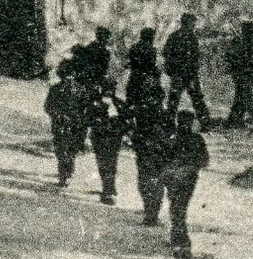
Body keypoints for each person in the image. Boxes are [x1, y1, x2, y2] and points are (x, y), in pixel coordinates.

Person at [162, 110, 209, 259]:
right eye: (183, 121)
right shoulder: (194, 139)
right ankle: (181, 243)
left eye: (186, 122)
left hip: (184, 178)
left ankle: (180, 242)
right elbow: (204, 160)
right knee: (178, 209)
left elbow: (204, 160)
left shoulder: (175, 137)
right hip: (180, 178)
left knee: (177, 209)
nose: (184, 125)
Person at [44, 59, 87, 188]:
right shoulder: (55, 89)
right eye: (66, 75)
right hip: (60, 123)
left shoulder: (80, 90)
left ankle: (69, 169)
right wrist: (57, 115)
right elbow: (48, 106)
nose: (69, 78)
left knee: (72, 149)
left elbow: (85, 107)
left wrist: (81, 119)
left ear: (75, 75)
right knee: (61, 150)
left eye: (71, 75)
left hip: (76, 124)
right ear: (61, 75)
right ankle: (63, 175)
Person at [163, 13, 209, 128]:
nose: (194, 25)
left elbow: (195, 55)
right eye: (193, 22)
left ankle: (204, 122)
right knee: (181, 99)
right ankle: (204, 122)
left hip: (186, 73)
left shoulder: (184, 37)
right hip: (182, 73)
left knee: (191, 99)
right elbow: (166, 53)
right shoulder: (180, 37)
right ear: (187, 23)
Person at [89, 78, 129, 206]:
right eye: (108, 89)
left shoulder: (117, 104)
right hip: (103, 138)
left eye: (111, 89)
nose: (109, 92)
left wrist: (124, 133)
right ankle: (109, 187)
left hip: (110, 139)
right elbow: (89, 120)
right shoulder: (98, 103)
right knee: (107, 164)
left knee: (108, 164)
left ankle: (108, 190)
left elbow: (126, 120)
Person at [131, 105, 172, 227]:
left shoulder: (159, 121)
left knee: (150, 186)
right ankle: (150, 213)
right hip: (148, 159)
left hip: (154, 159)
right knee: (148, 186)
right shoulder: (146, 116)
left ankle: (151, 214)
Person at [223, 20, 253, 128]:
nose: (249, 33)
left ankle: (245, 117)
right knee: (242, 95)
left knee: (243, 95)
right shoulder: (239, 42)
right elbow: (229, 55)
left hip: (244, 73)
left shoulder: (248, 43)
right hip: (242, 73)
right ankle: (239, 118)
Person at [125, 27, 162, 117]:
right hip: (146, 79)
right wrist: (157, 72)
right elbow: (150, 65)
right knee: (149, 102)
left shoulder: (134, 47)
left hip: (135, 77)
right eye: (152, 36)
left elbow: (131, 62)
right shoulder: (151, 49)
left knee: (132, 101)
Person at [72, 26, 113, 92]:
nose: (107, 40)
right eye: (106, 38)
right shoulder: (104, 52)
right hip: (93, 80)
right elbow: (103, 68)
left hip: (88, 80)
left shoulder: (90, 47)